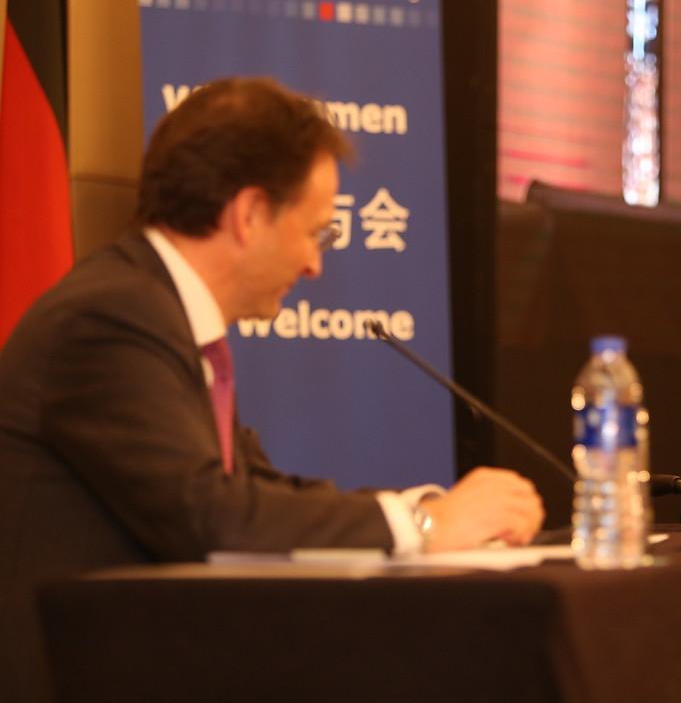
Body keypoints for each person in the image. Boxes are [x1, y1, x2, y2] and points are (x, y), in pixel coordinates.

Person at [0, 77, 544, 701]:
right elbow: (212, 517)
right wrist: (423, 525)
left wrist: (428, 510)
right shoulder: (111, 317)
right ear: (250, 215)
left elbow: (257, 490)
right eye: (315, 232)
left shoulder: (156, 311)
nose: (315, 265)